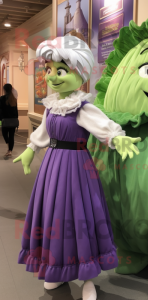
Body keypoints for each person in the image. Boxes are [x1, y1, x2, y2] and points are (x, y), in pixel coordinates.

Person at [13, 32, 141, 300]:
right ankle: (57, 269)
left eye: (61, 70)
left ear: (80, 73)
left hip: (77, 169)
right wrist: (30, 150)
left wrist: (119, 139)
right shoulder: (52, 106)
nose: (53, 76)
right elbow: (43, 135)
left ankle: (87, 278)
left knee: (81, 217)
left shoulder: (82, 107)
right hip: (51, 169)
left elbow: (103, 128)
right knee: (53, 217)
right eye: (49, 70)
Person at [0, 83, 18, 158]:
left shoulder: (1, 98)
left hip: (5, 120)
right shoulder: (14, 99)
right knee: (11, 136)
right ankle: (10, 150)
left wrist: (0, 119)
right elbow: (16, 111)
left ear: (4, 90)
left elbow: (0, 110)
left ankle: (9, 148)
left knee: (4, 134)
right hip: (13, 120)